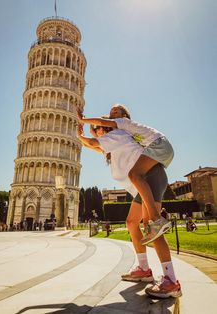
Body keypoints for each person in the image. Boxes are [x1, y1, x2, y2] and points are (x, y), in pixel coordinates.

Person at [77, 121, 181, 298]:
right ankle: (144, 269)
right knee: (132, 223)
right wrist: (82, 138)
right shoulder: (111, 145)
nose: (94, 132)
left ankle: (171, 281)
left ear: (105, 128)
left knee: (152, 228)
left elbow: (93, 143)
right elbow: (94, 146)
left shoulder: (117, 135)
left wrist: (82, 136)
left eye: (96, 128)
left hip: (151, 178)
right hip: (144, 185)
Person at [77, 104, 173, 245]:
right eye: (111, 112)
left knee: (134, 174)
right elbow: (94, 145)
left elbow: (101, 126)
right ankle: (146, 264)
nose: (112, 113)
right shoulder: (118, 140)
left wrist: (83, 120)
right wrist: (83, 136)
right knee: (138, 223)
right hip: (160, 150)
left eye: (115, 111)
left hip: (159, 145)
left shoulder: (123, 123)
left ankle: (157, 219)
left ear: (124, 115)